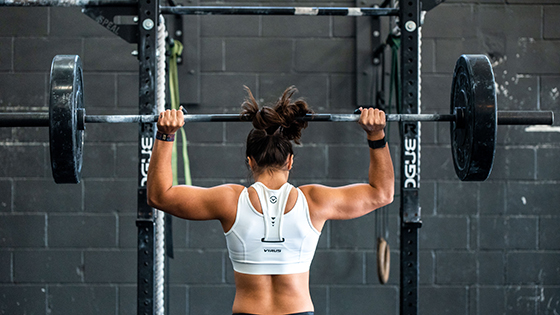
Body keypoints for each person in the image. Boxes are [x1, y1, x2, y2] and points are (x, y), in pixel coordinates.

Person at [147, 86, 394, 315]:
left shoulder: (230, 200)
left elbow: (159, 195)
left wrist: (165, 135)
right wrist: (377, 134)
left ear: (250, 161)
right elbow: (382, 193)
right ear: (290, 161)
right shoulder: (314, 201)